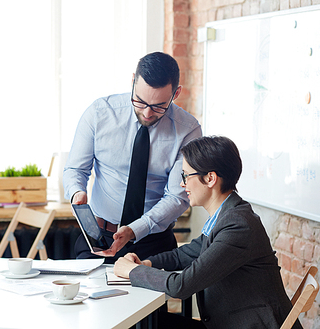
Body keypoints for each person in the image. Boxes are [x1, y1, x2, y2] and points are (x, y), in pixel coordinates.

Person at [114, 136, 302, 329]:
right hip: (229, 322)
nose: (182, 184)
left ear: (210, 178)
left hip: (251, 325)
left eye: (186, 176)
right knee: (149, 324)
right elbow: (185, 254)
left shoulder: (238, 225)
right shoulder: (226, 216)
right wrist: (147, 263)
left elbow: (182, 285)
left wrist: (133, 271)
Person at [63, 52, 202, 263]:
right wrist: (76, 192)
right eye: (140, 101)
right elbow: (75, 169)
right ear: (132, 82)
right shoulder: (100, 113)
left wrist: (134, 229)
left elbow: (177, 197)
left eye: (158, 106)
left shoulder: (187, 131)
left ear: (176, 93)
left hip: (153, 242)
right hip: (98, 237)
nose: (147, 113)